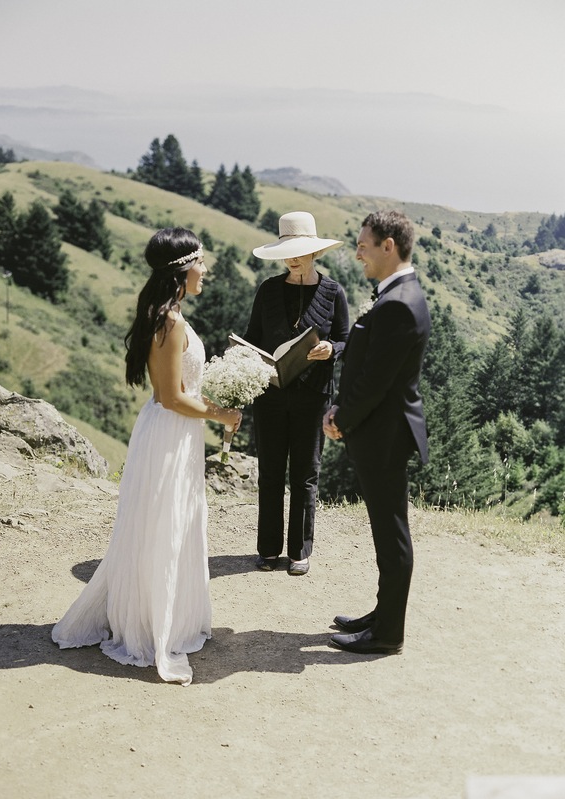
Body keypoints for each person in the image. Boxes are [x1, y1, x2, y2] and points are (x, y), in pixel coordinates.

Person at [52, 228, 242, 685]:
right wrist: (223, 414)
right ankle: (154, 626)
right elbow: (173, 397)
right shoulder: (171, 322)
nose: (206, 271)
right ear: (183, 269)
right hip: (172, 431)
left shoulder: (167, 315)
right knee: (165, 523)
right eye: (201, 263)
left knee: (169, 521)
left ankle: (165, 615)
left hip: (173, 432)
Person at [323, 210, 430, 655]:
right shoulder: (395, 295)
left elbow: (374, 382)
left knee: (391, 532)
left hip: (384, 435)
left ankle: (388, 633)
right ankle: (383, 615)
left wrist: (340, 419)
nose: (358, 252)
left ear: (390, 246)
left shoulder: (400, 304)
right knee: (385, 530)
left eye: (364, 245)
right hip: (380, 431)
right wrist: (341, 407)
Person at [246, 211, 349, 575]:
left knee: (305, 474)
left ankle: (300, 551)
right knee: (271, 472)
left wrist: (331, 350)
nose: (293, 257)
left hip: (313, 395)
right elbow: (252, 338)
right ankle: (268, 550)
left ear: (313, 252)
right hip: (270, 395)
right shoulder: (268, 290)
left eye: (300, 250)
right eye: (287, 250)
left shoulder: (334, 292)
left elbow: (346, 339)